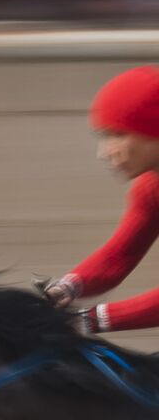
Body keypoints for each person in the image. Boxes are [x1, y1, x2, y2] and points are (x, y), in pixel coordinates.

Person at [44, 66, 159, 333]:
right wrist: (67, 287)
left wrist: (88, 319)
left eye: (118, 134)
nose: (104, 153)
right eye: (103, 136)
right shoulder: (150, 187)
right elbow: (119, 255)